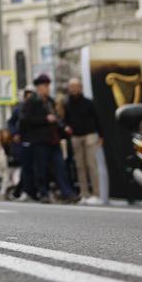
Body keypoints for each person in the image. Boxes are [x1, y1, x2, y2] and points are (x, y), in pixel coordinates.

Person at [20, 74, 76, 203]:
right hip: (39, 141)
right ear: (38, 87)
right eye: (44, 86)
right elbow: (25, 120)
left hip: (53, 140)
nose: (47, 88)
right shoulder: (32, 101)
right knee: (41, 168)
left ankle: (67, 193)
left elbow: (55, 118)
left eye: (48, 86)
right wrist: (44, 120)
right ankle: (43, 192)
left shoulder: (50, 101)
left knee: (60, 167)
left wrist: (63, 128)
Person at [63, 77, 104, 204]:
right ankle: (84, 194)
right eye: (71, 87)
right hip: (76, 136)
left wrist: (101, 135)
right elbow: (65, 120)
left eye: (76, 86)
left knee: (91, 164)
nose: (74, 89)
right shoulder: (67, 104)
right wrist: (66, 126)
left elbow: (98, 119)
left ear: (80, 87)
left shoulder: (88, 102)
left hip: (90, 135)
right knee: (79, 166)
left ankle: (96, 194)